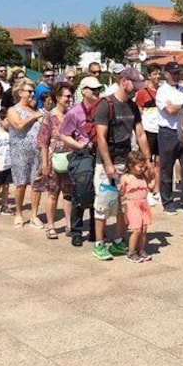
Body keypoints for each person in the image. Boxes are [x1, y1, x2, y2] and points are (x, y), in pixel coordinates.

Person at [92, 67, 152, 261]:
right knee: (103, 205)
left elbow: (140, 134)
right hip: (107, 164)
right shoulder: (105, 105)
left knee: (121, 207)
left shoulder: (133, 107)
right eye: (134, 85)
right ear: (123, 80)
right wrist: (108, 164)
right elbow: (101, 138)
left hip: (126, 164)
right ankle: (99, 244)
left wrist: (148, 159)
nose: (136, 90)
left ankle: (118, 241)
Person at [60, 75, 103, 247]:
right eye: (93, 90)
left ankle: (95, 229)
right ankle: (76, 231)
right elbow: (64, 134)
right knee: (80, 192)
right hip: (81, 155)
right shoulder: (74, 112)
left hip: (98, 154)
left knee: (97, 193)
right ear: (84, 91)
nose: (96, 92)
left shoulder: (102, 109)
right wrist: (79, 145)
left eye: (98, 89)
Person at [155, 62, 183, 215]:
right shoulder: (162, 91)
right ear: (166, 74)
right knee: (166, 168)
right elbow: (170, 110)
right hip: (168, 132)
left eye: (178, 73)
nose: (176, 76)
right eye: (173, 73)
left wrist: (181, 105)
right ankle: (167, 201)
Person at [36, 82, 74, 240]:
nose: (69, 99)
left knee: (69, 194)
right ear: (57, 97)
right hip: (53, 159)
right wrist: (44, 163)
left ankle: (69, 224)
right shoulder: (49, 116)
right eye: (67, 96)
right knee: (52, 194)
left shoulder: (72, 115)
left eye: (71, 96)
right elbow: (43, 142)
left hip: (70, 158)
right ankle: (51, 225)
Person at [7, 82, 45, 228]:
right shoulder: (13, 110)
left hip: (36, 151)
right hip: (19, 152)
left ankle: (34, 215)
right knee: (20, 184)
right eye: (29, 91)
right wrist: (34, 116)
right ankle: (18, 213)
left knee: (36, 183)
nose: (32, 94)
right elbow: (18, 125)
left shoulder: (35, 110)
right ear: (20, 92)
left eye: (33, 91)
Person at [119, 150, 154, 263]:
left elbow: (151, 188)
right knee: (137, 229)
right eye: (140, 166)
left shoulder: (143, 176)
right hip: (132, 205)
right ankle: (131, 252)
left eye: (143, 166)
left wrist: (154, 176)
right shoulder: (126, 177)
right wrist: (121, 190)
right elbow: (122, 193)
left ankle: (141, 250)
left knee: (144, 229)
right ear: (130, 165)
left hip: (143, 204)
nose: (142, 169)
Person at [134, 63, 161, 205]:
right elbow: (138, 112)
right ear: (149, 75)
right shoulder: (142, 93)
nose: (157, 77)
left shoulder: (162, 91)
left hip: (160, 129)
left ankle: (157, 190)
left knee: (159, 162)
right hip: (147, 129)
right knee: (146, 161)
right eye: (155, 74)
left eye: (158, 73)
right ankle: (147, 189)